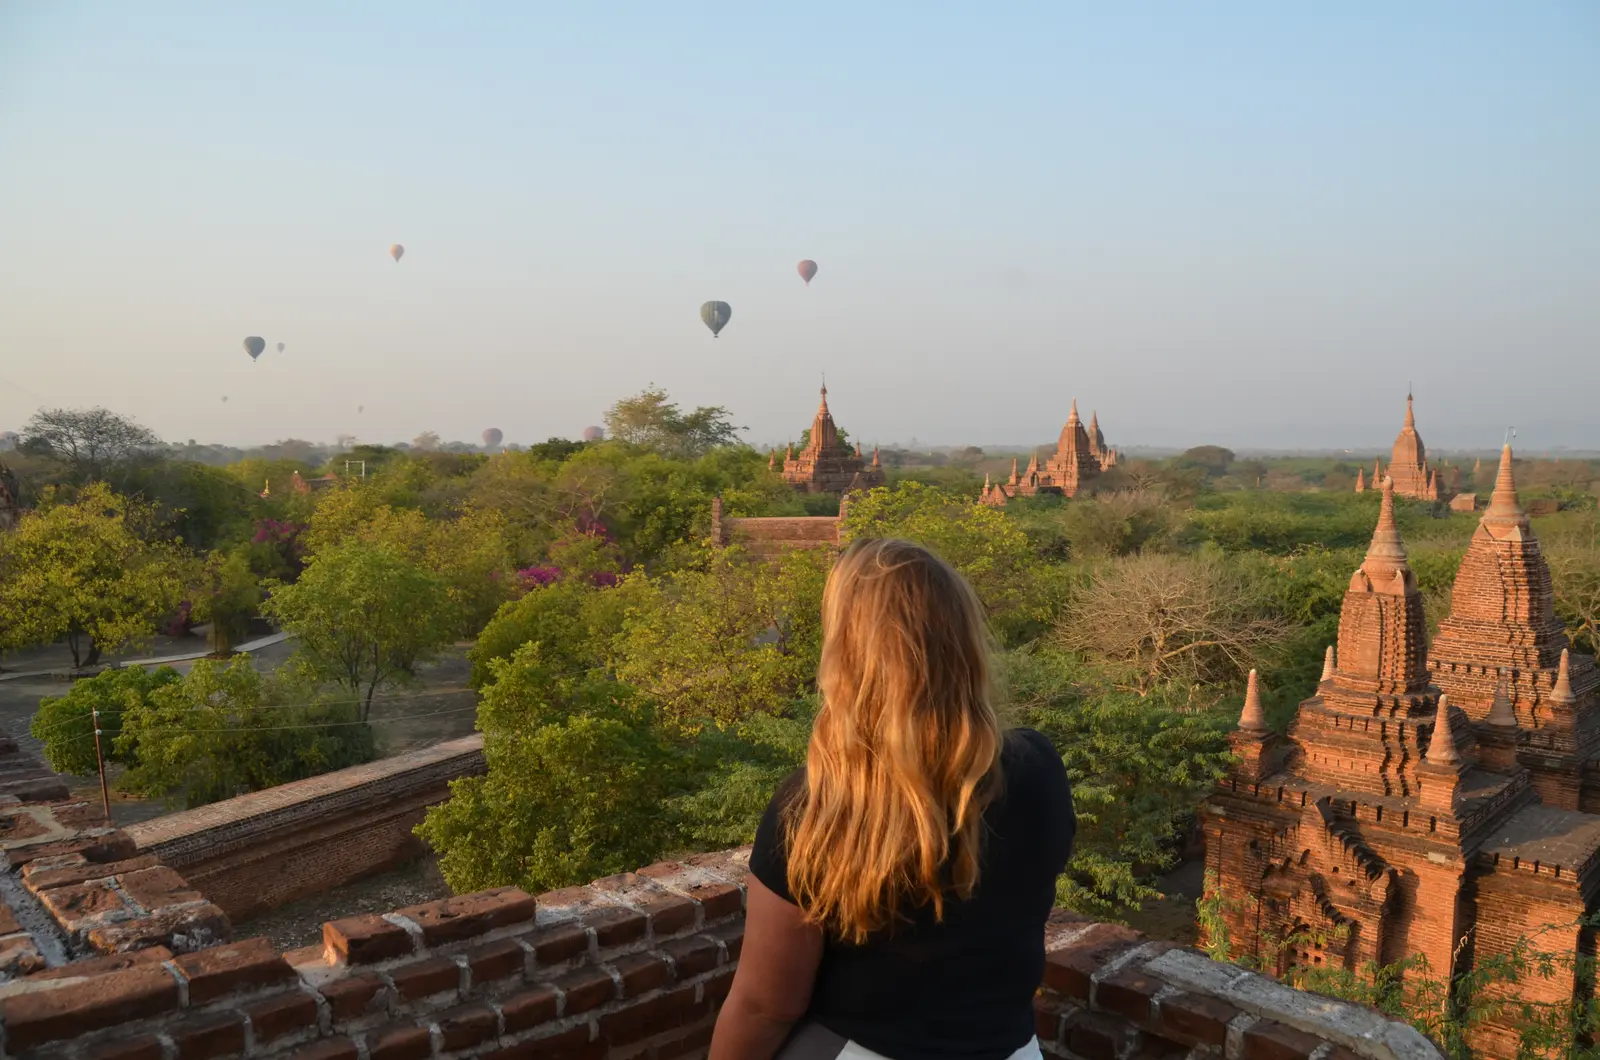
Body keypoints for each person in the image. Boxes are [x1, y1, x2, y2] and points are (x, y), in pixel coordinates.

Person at [710, 538, 1076, 1060]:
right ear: (963, 640)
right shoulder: (1036, 767)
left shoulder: (816, 805)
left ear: (846, 653)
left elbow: (766, 1005)